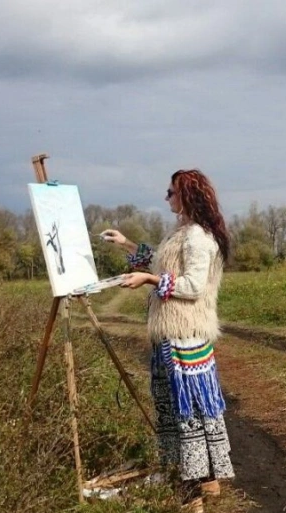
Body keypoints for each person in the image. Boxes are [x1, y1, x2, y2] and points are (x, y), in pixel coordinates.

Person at [100, 169, 233, 506]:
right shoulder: (182, 233)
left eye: (171, 192)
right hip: (173, 335)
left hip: (184, 337)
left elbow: (192, 286)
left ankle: (191, 494)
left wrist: (147, 280)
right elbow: (162, 265)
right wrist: (126, 243)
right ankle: (207, 480)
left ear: (187, 195)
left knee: (186, 414)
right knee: (192, 413)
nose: (167, 197)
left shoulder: (197, 238)